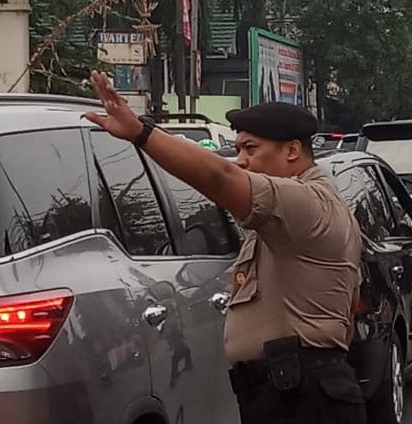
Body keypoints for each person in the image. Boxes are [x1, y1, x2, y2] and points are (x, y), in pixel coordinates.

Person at [83, 71, 365, 423]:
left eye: (251, 149)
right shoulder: (297, 215)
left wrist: (142, 133)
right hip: (290, 391)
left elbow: (220, 178)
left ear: (293, 150)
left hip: (302, 394)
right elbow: (349, 301)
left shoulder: (305, 202)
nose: (241, 159)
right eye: (239, 148)